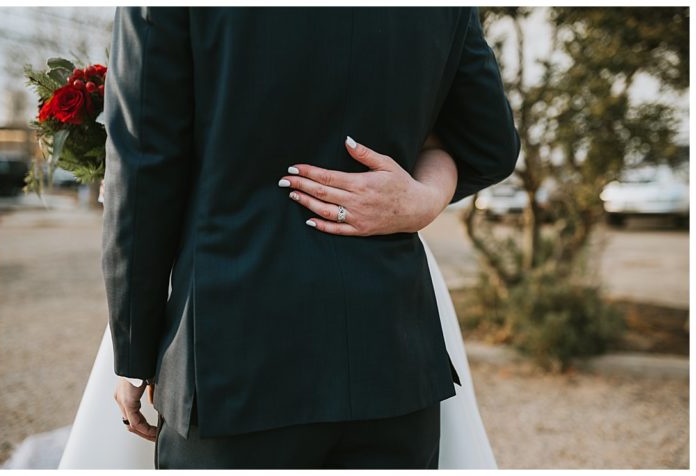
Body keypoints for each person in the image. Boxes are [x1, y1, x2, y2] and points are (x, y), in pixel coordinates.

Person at [100, 7, 519, 469]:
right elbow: (489, 144)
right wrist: (425, 198)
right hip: (391, 363)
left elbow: (143, 168)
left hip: (235, 362)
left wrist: (134, 355)